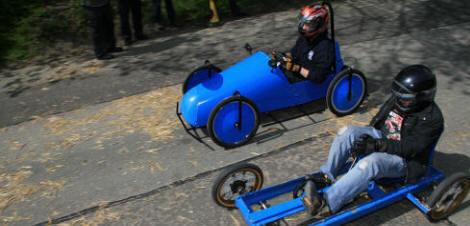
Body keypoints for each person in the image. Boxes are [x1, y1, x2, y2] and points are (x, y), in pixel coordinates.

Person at [301, 65, 444, 216]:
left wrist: (377, 146)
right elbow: (379, 121)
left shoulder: (432, 119)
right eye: (398, 95)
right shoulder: (401, 98)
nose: (399, 100)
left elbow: (411, 148)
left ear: (422, 97)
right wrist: (364, 141)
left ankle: (327, 201)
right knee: (347, 132)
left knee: (371, 163)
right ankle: (325, 176)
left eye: (405, 98)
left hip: (405, 160)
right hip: (383, 139)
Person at [278, 3, 335, 83]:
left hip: (307, 83)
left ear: (320, 25)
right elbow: (294, 54)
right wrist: (282, 56)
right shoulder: (304, 38)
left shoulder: (325, 47)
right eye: (304, 23)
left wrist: (298, 68)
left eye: (308, 24)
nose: (304, 27)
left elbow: (319, 77)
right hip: (296, 75)